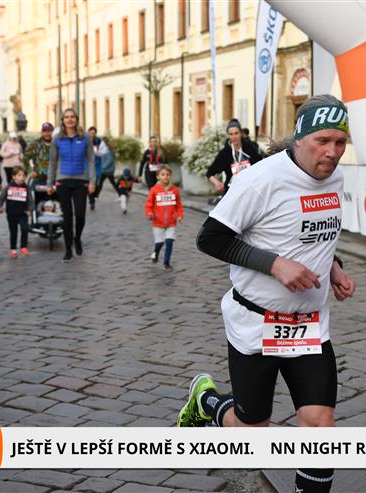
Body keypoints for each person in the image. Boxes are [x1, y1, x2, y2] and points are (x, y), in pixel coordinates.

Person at [177, 95, 355, 493]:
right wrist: (275, 265)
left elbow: (310, 232)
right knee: (252, 435)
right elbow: (210, 238)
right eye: (323, 141)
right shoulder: (259, 180)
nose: (332, 152)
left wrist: (334, 266)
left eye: (340, 142)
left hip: (309, 326)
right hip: (257, 325)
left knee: (320, 426)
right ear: (300, 137)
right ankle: (207, 403)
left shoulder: (335, 177)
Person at [47, 108, 96, 262]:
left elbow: (91, 160)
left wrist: (92, 181)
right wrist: (50, 183)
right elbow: (53, 162)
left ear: (76, 119)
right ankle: (68, 249)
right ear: (62, 120)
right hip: (63, 181)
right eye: (66, 117)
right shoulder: (57, 139)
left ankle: (77, 238)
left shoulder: (85, 137)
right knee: (67, 217)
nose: (69, 119)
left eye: (72, 117)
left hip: (81, 181)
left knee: (80, 214)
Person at [206, 119, 262, 195]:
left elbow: (260, 164)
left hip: (249, 189)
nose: (234, 136)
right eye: (231, 134)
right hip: (231, 191)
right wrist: (217, 183)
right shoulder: (225, 152)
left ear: (241, 134)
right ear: (228, 136)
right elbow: (209, 173)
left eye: (236, 133)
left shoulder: (249, 148)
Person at [144, 164, 183, 270]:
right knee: (160, 243)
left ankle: (166, 263)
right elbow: (148, 205)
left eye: (167, 174)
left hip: (171, 222)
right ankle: (156, 252)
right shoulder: (154, 190)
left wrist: (180, 215)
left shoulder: (174, 190)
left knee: (169, 242)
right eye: (163, 174)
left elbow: (178, 205)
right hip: (158, 223)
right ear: (158, 176)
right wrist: (149, 214)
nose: (165, 176)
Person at [0, 165, 34, 258]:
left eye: (24, 176)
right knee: (13, 232)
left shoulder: (27, 188)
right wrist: (0, 207)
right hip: (11, 213)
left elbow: (31, 201)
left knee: (25, 229)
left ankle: (23, 247)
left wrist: (30, 210)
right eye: (19, 175)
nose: (22, 178)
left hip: (23, 213)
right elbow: (1, 198)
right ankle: (13, 249)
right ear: (14, 176)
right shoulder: (8, 187)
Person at [90, 136, 117, 204]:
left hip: (104, 170)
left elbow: (109, 159)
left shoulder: (107, 150)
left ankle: (94, 198)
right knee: (99, 183)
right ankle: (94, 198)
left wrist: (103, 166)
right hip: (101, 169)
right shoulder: (102, 148)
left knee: (99, 183)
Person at [87, 126, 102, 210]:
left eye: (93, 133)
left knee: (97, 184)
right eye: (90, 133)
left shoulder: (99, 141)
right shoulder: (85, 140)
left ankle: (95, 196)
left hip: (97, 165)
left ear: (96, 133)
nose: (92, 134)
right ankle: (91, 201)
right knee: (90, 184)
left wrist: (99, 152)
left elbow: (103, 152)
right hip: (88, 165)